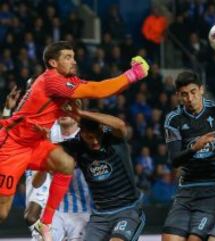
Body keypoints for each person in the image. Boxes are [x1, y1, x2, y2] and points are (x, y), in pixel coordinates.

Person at [0, 41, 149, 241]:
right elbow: (98, 90)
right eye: (67, 57)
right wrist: (133, 74)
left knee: (65, 163)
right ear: (53, 62)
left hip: (33, 143)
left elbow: (92, 94)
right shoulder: (52, 81)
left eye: (74, 56)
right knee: (2, 211)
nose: (74, 61)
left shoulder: (64, 82)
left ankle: (47, 221)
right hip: (12, 145)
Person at [162, 71, 215, 241]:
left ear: (201, 90)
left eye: (193, 92)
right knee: (169, 238)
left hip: (213, 187)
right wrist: (194, 148)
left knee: (195, 239)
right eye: (184, 94)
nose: (190, 98)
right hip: (186, 190)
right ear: (178, 96)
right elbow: (174, 161)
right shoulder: (173, 120)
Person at [60, 108, 145, 241]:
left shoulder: (114, 139)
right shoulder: (76, 146)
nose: (95, 141)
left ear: (101, 129)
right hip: (100, 217)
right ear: (81, 133)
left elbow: (120, 124)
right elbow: (49, 150)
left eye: (97, 136)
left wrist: (81, 113)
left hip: (128, 210)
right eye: (89, 137)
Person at [25, 116, 91, 241]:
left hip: (83, 212)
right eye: (61, 108)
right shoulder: (50, 138)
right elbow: (36, 184)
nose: (64, 111)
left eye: (68, 106)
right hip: (56, 211)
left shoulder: (86, 138)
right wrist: (45, 162)